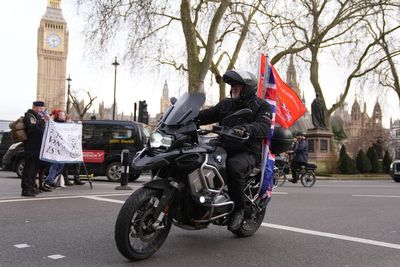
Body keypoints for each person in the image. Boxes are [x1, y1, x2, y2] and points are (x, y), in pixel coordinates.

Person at [197, 70, 272, 231]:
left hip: (247, 151)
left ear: (248, 88)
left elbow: (264, 127)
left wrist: (246, 129)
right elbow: (206, 115)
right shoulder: (226, 104)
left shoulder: (261, 106)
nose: (233, 89)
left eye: (237, 86)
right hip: (223, 145)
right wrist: (186, 116)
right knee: (197, 157)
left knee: (233, 166)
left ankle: (240, 209)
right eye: (232, 86)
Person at [21, 101, 48, 197]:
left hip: (38, 146)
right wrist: (42, 121)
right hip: (31, 146)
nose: (42, 110)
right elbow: (33, 128)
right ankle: (26, 189)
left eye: (43, 109)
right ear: (34, 108)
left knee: (34, 168)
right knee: (29, 168)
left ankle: (32, 186)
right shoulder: (29, 116)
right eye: (40, 109)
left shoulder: (38, 117)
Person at [43, 109, 67, 188]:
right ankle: (49, 180)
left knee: (61, 165)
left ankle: (50, 179)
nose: (63, 116)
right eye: (61, 115)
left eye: (64, 115)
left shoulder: (66, 124)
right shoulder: (55, 123)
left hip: (62, 148)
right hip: (55, 148)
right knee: (55, 165)